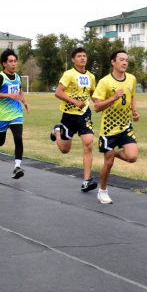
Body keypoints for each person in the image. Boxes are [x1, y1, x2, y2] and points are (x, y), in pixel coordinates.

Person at [92, 50, 140, 204]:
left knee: (132, 157)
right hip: (109, 128)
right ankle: (102, 191)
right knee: (108, 163)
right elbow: (97, 107)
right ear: (113, 62)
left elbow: (132, 96)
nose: (125, 62)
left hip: (125, 126)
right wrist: (113, 98)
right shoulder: (104, 82)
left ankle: (114, 154)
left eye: (126, 60)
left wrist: (135, 111)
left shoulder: (131, 79)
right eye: (121, 60)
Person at [50, 47, 97, 192]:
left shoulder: (91, 76)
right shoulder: (69, 74)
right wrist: (74, 101)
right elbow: (58, 92)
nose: (82, 58)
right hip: (69, 115)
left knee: (88, 143)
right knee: (65, 150)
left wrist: (102, 103)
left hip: (84, 114)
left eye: (84, 56)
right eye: (79, 56)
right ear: (73, 60)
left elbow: (93, 94)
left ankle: (87, 181)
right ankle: (57, 131)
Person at [0, 49, 30, 179]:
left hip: (16, 113)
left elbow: (19, 91)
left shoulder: (17, 77)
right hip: (2, 115)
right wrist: (8, 95)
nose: (14, 64)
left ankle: (17, 167)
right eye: (11, 61)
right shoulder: (0, 77)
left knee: (18, 138)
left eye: (15, 61)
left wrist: (25, 102)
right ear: (4, 63)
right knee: (0, 142)